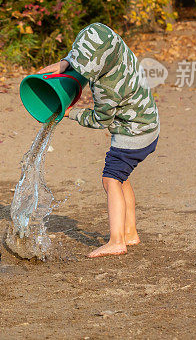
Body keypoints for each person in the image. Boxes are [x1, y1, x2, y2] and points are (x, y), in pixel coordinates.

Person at [38, 22, 159, 258]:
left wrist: (69, 112)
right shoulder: (118, 50)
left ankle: (116, 241)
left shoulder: (109, 88)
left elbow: (100, 119)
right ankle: (130, 232)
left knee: (111, 180)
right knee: (122, 177)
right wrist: (66, 63)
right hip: (148, 125)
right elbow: (89, 48)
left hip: (133, 134)